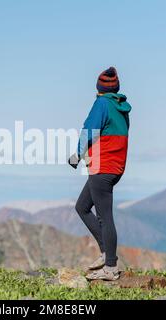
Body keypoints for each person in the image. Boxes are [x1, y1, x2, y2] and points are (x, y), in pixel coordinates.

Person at [68, 66, 131, 281]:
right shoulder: (120, 106)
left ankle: (111, 267)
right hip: (114, 166)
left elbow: (89, 130)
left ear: (99, 87)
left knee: (104, 217)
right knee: (82, 207)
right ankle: (106, 254)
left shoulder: (102, 104)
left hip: (103, 167)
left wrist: (77, 154)